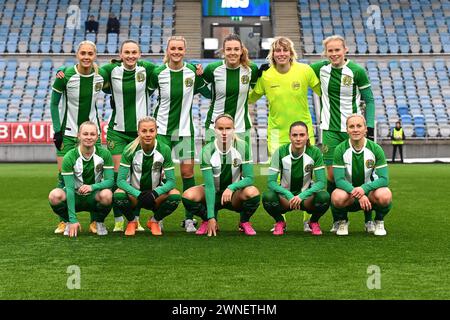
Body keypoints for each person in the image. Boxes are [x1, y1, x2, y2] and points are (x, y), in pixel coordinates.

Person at [56, 40, 157, 232]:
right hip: (117, 131)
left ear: (140, 54)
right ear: (120, 54)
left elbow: (169, 66)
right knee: (119, 176)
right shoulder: (110, 70)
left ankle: (134, 218)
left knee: (136, 177)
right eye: (126, 52)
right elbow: (84, 69)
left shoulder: (147, 68)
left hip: (139, 132)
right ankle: (119, 218)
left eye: (134, 52)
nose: (130, 55)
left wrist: (195, 67)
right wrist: (61, 70)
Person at [248, 36, 321, 231]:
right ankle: (280, 221)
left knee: (309, 176)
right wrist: (255, 76)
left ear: (291, 53)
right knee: (279, 178)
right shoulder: (267, 75)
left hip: (303, 131)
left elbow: (323, 91)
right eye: (277, 51)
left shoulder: (305, 70)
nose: (281, 54)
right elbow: (250, 97)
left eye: (285, 50)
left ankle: (308, 220)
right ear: (272, 54)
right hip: (276, 134)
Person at [310, 35, 376, 231]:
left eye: (337, 50)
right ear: (325, 53)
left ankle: (369, 219)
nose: (334, 54)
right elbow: (296, 71)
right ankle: (340, 219)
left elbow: (369, 100)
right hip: (330, 129)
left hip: (353, 130)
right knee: (331, 176)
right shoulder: (319, 69)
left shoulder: (356, 71)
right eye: (330, 50)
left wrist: (369, 127)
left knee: (361, 174)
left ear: (345, 50)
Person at [148, 36, 211, 233]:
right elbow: (144, 92)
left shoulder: (192, 71)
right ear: (167, 50)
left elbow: (209, 94)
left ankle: (189, 218)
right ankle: (157, 217)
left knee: (187, 173)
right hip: (162, 131)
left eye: (180, 48)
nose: (176, 51)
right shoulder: (158, 73)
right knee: (159, 175)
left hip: (184, 132)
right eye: (173, 48)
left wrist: (202, 75)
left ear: (185, 50)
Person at [50, 40, 108, 234]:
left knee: (96, 174)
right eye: (83, 53)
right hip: (67, 134)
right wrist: (57, 131)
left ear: (95, 55)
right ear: (77, 54)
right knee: (62, 176)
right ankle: (64, 220)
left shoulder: (101, 76)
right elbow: (53, 103)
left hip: (92, 133)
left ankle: (95, 221)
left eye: (90, 54)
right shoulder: (65, 75)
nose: (86, 57)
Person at [182, 114, 260, 237]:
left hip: (234, 196)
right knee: (188, 196)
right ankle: (207, 220)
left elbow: (250, 178)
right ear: (214, 129)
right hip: (213, 191)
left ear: (234, 129)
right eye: (220, 128)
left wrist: (232, 187)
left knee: (252, 192)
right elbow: (209, 186)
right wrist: (211, 217)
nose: (224, 132)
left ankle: (244, 221)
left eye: (228, 128)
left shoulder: (242, 147)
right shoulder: (207, 151)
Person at [114, 116, 181, 236]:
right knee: (118, 194)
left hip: (156, 196)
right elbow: (120, 181)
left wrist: (154, 193)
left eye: (151, 130)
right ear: (138, 132)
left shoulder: (164, 149)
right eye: (144, 131)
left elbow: (171, 181)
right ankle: (132, 221)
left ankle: (154, 221)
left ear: (156, 131)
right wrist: (138, 194)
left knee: (175, 196)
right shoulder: (129, 150)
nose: (148, 134)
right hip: (135, 195)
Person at [262, 121, 330, 235]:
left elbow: (321, 182)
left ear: (307, 136)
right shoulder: (280, 152)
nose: (298, 138)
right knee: (268, 197)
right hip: (285, 198)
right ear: (289, 136)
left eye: (302, 135)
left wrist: (302, 196)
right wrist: (288, 195)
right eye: (294, 135)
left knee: (324, 197)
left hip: (306, 198)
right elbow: (271, 182)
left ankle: (313, 222)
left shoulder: (315, 152)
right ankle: (280, 222)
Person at [48, 121, 114, 237]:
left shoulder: (104, 154)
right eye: (85, 134)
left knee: (108, 195)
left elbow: (110, 181)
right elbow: (68, 188)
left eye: (92, 134)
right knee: (54, 196)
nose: (89, 137)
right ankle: (68, 221)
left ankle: (98, 221)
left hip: (94, 196)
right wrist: (73, 219)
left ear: (97, 136)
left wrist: (92, 187)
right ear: (79, 136)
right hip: (74, 195)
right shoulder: (70, 156)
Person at [331, 114, 392, 236]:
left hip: (369, 193)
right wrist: (358, 194)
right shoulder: (340, 149)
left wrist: (364, 189)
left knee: (385, 194)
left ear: (365, 129)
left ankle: (378, 220)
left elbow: (384, 179)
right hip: (349, 193)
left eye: (359, 126)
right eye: (351, 126)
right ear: (347, 129)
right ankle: (343, 221)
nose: (355, 129)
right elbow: (339, 180)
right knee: (336, 196)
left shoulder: (375, 149)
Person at [201, 34, 259, 152]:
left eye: (236, 49)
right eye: (228, 49)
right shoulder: (212, 69)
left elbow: (259, 90)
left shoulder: (251, 69)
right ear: (223, 51)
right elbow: (200, 87)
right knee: (215, 165)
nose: (232, 52)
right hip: (214, 126)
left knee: (241, 166)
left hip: (241, 126)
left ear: (242, 51)